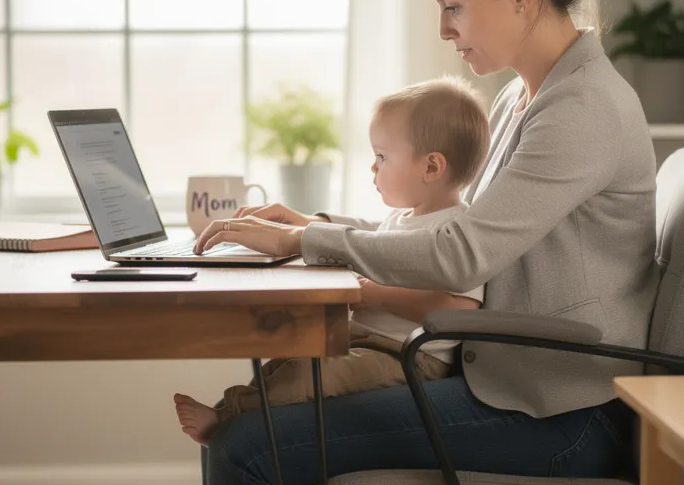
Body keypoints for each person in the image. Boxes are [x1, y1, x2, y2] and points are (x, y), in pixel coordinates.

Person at [186, 0, 658, 485]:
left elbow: (461, 252)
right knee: (242, 445)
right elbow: (449, 225)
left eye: (454, 6)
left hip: (558, 414)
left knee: (248, 449)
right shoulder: (523, 100)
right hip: (509, 385)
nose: (444, 31)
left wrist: (306, 242)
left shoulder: (584, 108)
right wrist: (313, 223)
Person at [173, 77, 490, 444]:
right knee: (289, 357)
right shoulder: (403, 219)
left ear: (432, 168)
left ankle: (228, 417)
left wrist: (377, 295)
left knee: (310, 377)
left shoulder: (456, 230)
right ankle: (232, 412)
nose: (374, 169)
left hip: (412, 356)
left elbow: (458, 312)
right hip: (371, 338)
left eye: (382, 157)